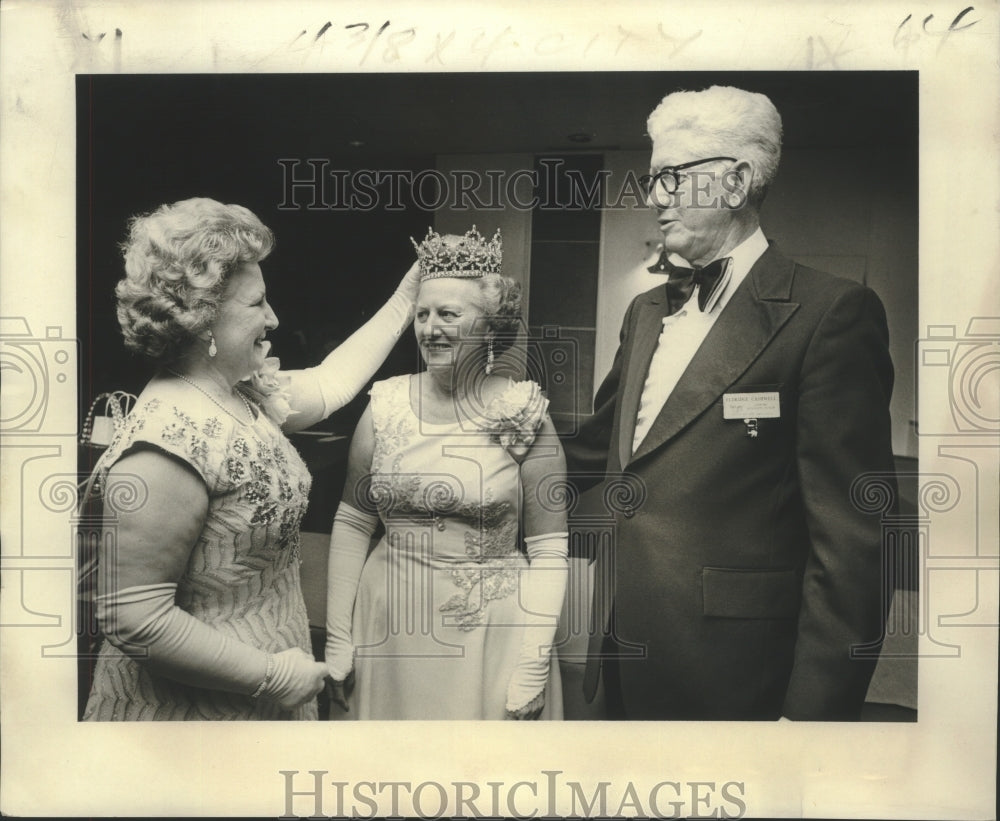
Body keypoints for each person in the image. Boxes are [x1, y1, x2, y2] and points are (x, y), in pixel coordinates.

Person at [563, 85, 896, 721]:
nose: (654, 197)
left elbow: (856, 545)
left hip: (739, 680)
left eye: (672, 177)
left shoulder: (831, 314)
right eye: (651, 177)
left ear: (737, 182)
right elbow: (592, 451)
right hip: (621, 660)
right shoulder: (644, 311)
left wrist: (810, 721)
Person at [81, 197, 420, 720]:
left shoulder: (240, 391)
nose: (274, 317)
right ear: (202, 320)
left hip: (267, 683)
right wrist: (272, 676)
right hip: (194, 712)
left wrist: (409, 295)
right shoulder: (165, 441)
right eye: (257, 303)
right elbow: (134, 617)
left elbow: (332, 382)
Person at [323, 227, 568, 720]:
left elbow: (549, 549)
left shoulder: (523, 412)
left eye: (449, 314)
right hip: (388, 619)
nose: (430, 328)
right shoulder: (385, 404)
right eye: (422, 314)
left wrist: (534, 659)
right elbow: (353, 522)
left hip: (489, 630)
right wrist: (337, 635)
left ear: (491, 327)